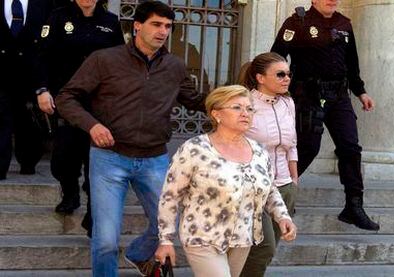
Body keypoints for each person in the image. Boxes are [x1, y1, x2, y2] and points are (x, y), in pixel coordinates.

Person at [55, 1, 205, 276]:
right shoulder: (105, 59)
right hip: (109, 159)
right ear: (137, 25)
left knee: (169, 225)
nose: (162, 32)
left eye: (168, 27)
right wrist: (92, 125)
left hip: (155, 159)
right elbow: (66, 97)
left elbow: (197, 101)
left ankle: (137, 254)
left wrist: (238, 100)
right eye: (156, 24)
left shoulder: (175, 67)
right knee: (106, 242)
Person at [154, 85, 297, 277]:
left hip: (242, 239)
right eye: (237, 107)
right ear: (217, 114)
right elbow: (170, 196)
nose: (245, 113)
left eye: (249, 108)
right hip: (202, 236)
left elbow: (269, 189)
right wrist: (166, 240)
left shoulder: (259, 151)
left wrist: (282, 216)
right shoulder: (195, 149)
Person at [271, 0, 379, 231]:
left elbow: (352, 63)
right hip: (307, 94)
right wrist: (276, 88)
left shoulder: (344, 23)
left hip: (339, 96)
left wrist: (361, 91)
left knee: (350, 147)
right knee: (308, 147)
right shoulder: (297, 22)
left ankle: (353, 205)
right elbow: (276, 58)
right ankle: (279, 195)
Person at [35, 0, 124, 237]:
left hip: (98, 103)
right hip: (66, 99)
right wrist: (42, 89)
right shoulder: (58, 16)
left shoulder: (110, 22)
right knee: (63, 157)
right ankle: (70, 191)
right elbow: (42, 56)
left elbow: (120, 61)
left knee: (95, 158)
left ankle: (94, 217)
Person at [236, 52, 297, 276]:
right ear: (260, 78)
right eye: (280, 74)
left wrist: (294, 180)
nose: (286, 78)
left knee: (267, 252)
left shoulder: (288, 103)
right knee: (263, 249)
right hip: (254, 187)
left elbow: (293, 144)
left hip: (285, 186)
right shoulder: (244, 104)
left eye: (288, 74)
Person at [0, 0, 58, 180]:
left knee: (28, 119)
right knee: (1, 119)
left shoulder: (46, 4)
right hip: (1, 72)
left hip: (32, 71)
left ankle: (28, 161)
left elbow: (51, 40)